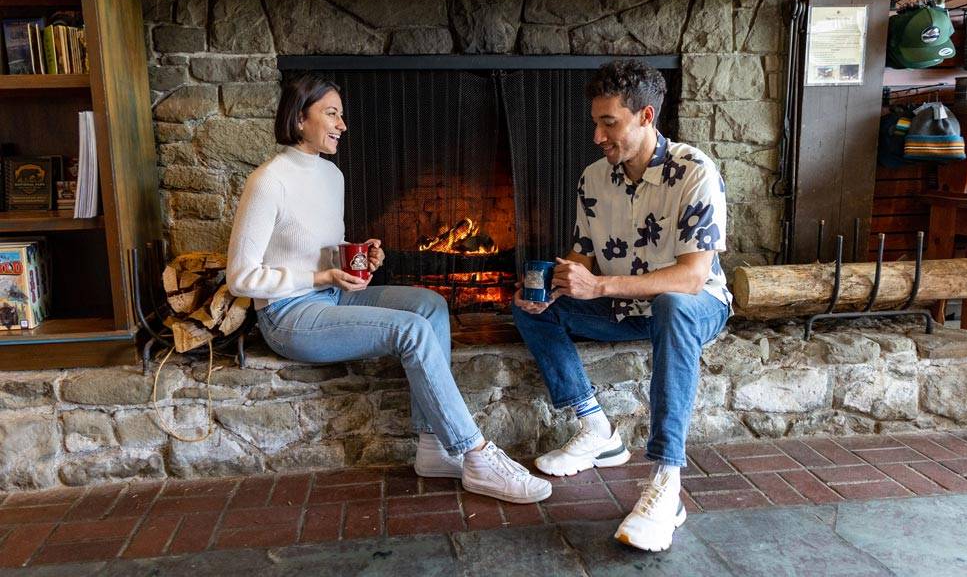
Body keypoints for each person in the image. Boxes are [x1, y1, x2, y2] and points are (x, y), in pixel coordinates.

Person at [227, 72, 551, 505]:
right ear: (299, 118)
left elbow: (313, 248)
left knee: (430, 305)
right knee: (410, 330)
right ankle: (475, 454)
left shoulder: (331, 177)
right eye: (331, 113)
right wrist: (321, 277)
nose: (342, 124)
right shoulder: (268, 180)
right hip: (289, 316)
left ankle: (434, 446)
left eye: (341, 114)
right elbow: (240, 277)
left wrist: (359, 258)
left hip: (333, 296)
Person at [512, 59, 731, 551]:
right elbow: (581, 255)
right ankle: (595, 429)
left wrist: (600, 288)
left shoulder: (695, 173)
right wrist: (551, 285)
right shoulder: (594, 178)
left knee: (673, 306)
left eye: (609, 123)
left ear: (646, 117)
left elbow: (693, 277)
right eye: (596, 122)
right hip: (627, 310)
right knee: (533, 306)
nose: (597, 135)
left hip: (696, 307)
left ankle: (666, 481)